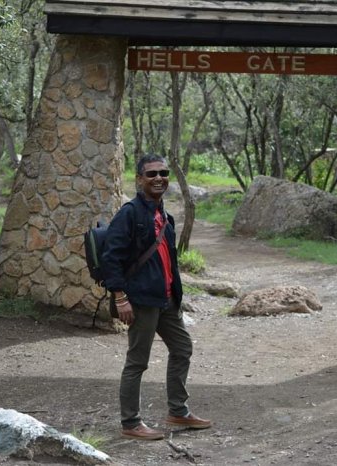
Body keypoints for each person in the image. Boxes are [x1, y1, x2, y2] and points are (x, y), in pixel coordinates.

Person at [102, 154, 211, 440]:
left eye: (163, 173)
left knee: (182, 347)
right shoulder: (129, 214)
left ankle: (178, 411)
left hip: (166, 300)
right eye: (151, 174)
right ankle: (131, 423)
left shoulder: (166, 216)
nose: (159, 178)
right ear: (139, 179)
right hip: (141, 300)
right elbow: (110, 258)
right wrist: (120, 298)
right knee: (138, 361)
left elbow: (168, 261)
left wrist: (176, 293)